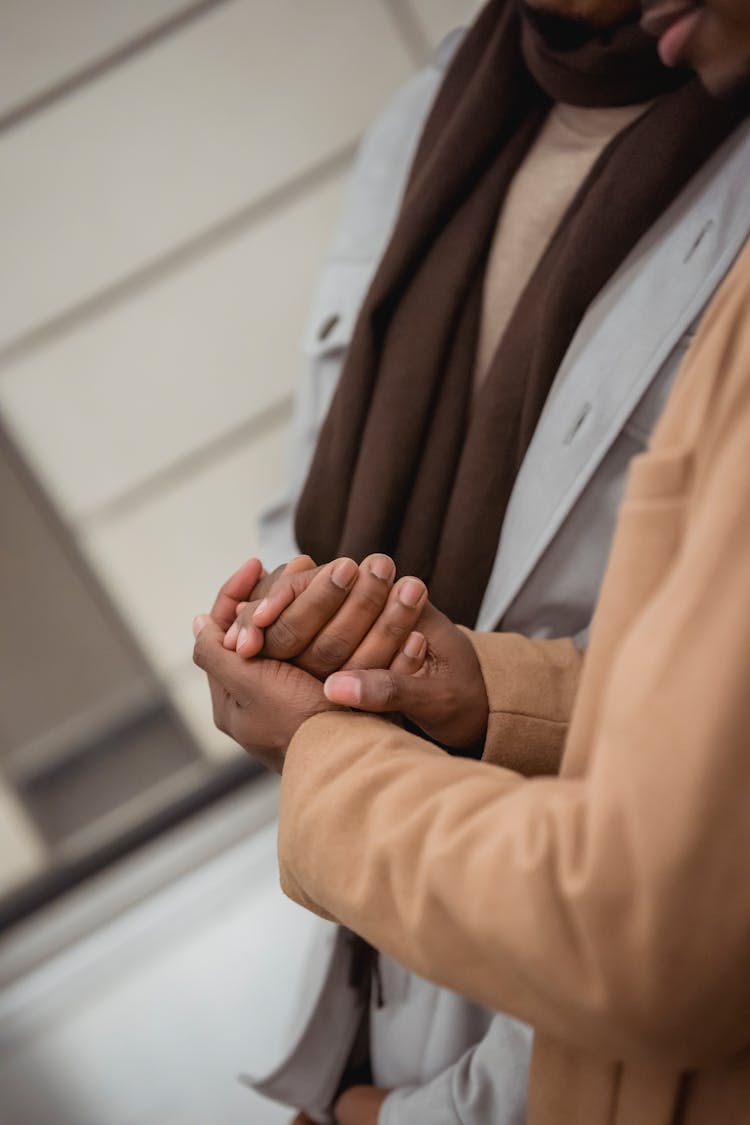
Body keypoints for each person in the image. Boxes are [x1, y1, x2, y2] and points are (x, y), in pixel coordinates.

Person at [193, 4, 750, 1121]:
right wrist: (322, 628)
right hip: (398, 960)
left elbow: (673, 911)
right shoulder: (438, 106)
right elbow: (317, 474)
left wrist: (422, 1116)